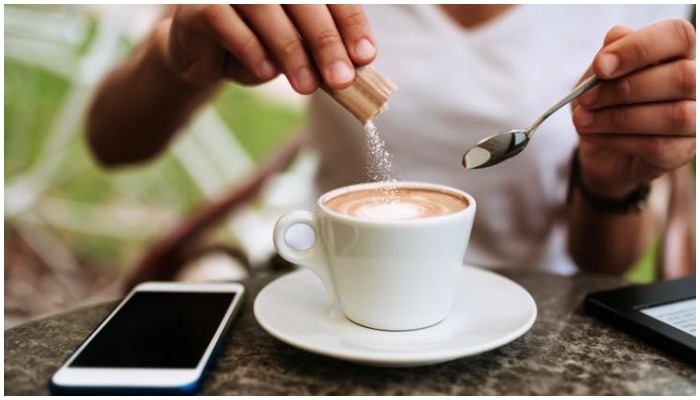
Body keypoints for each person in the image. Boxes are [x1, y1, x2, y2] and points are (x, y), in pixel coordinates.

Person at [87, 5, 696, 276]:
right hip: (334, 297)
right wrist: (174, 62)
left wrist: (614, 180)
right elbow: (111, 142)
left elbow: (606, 261)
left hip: (532, 319)